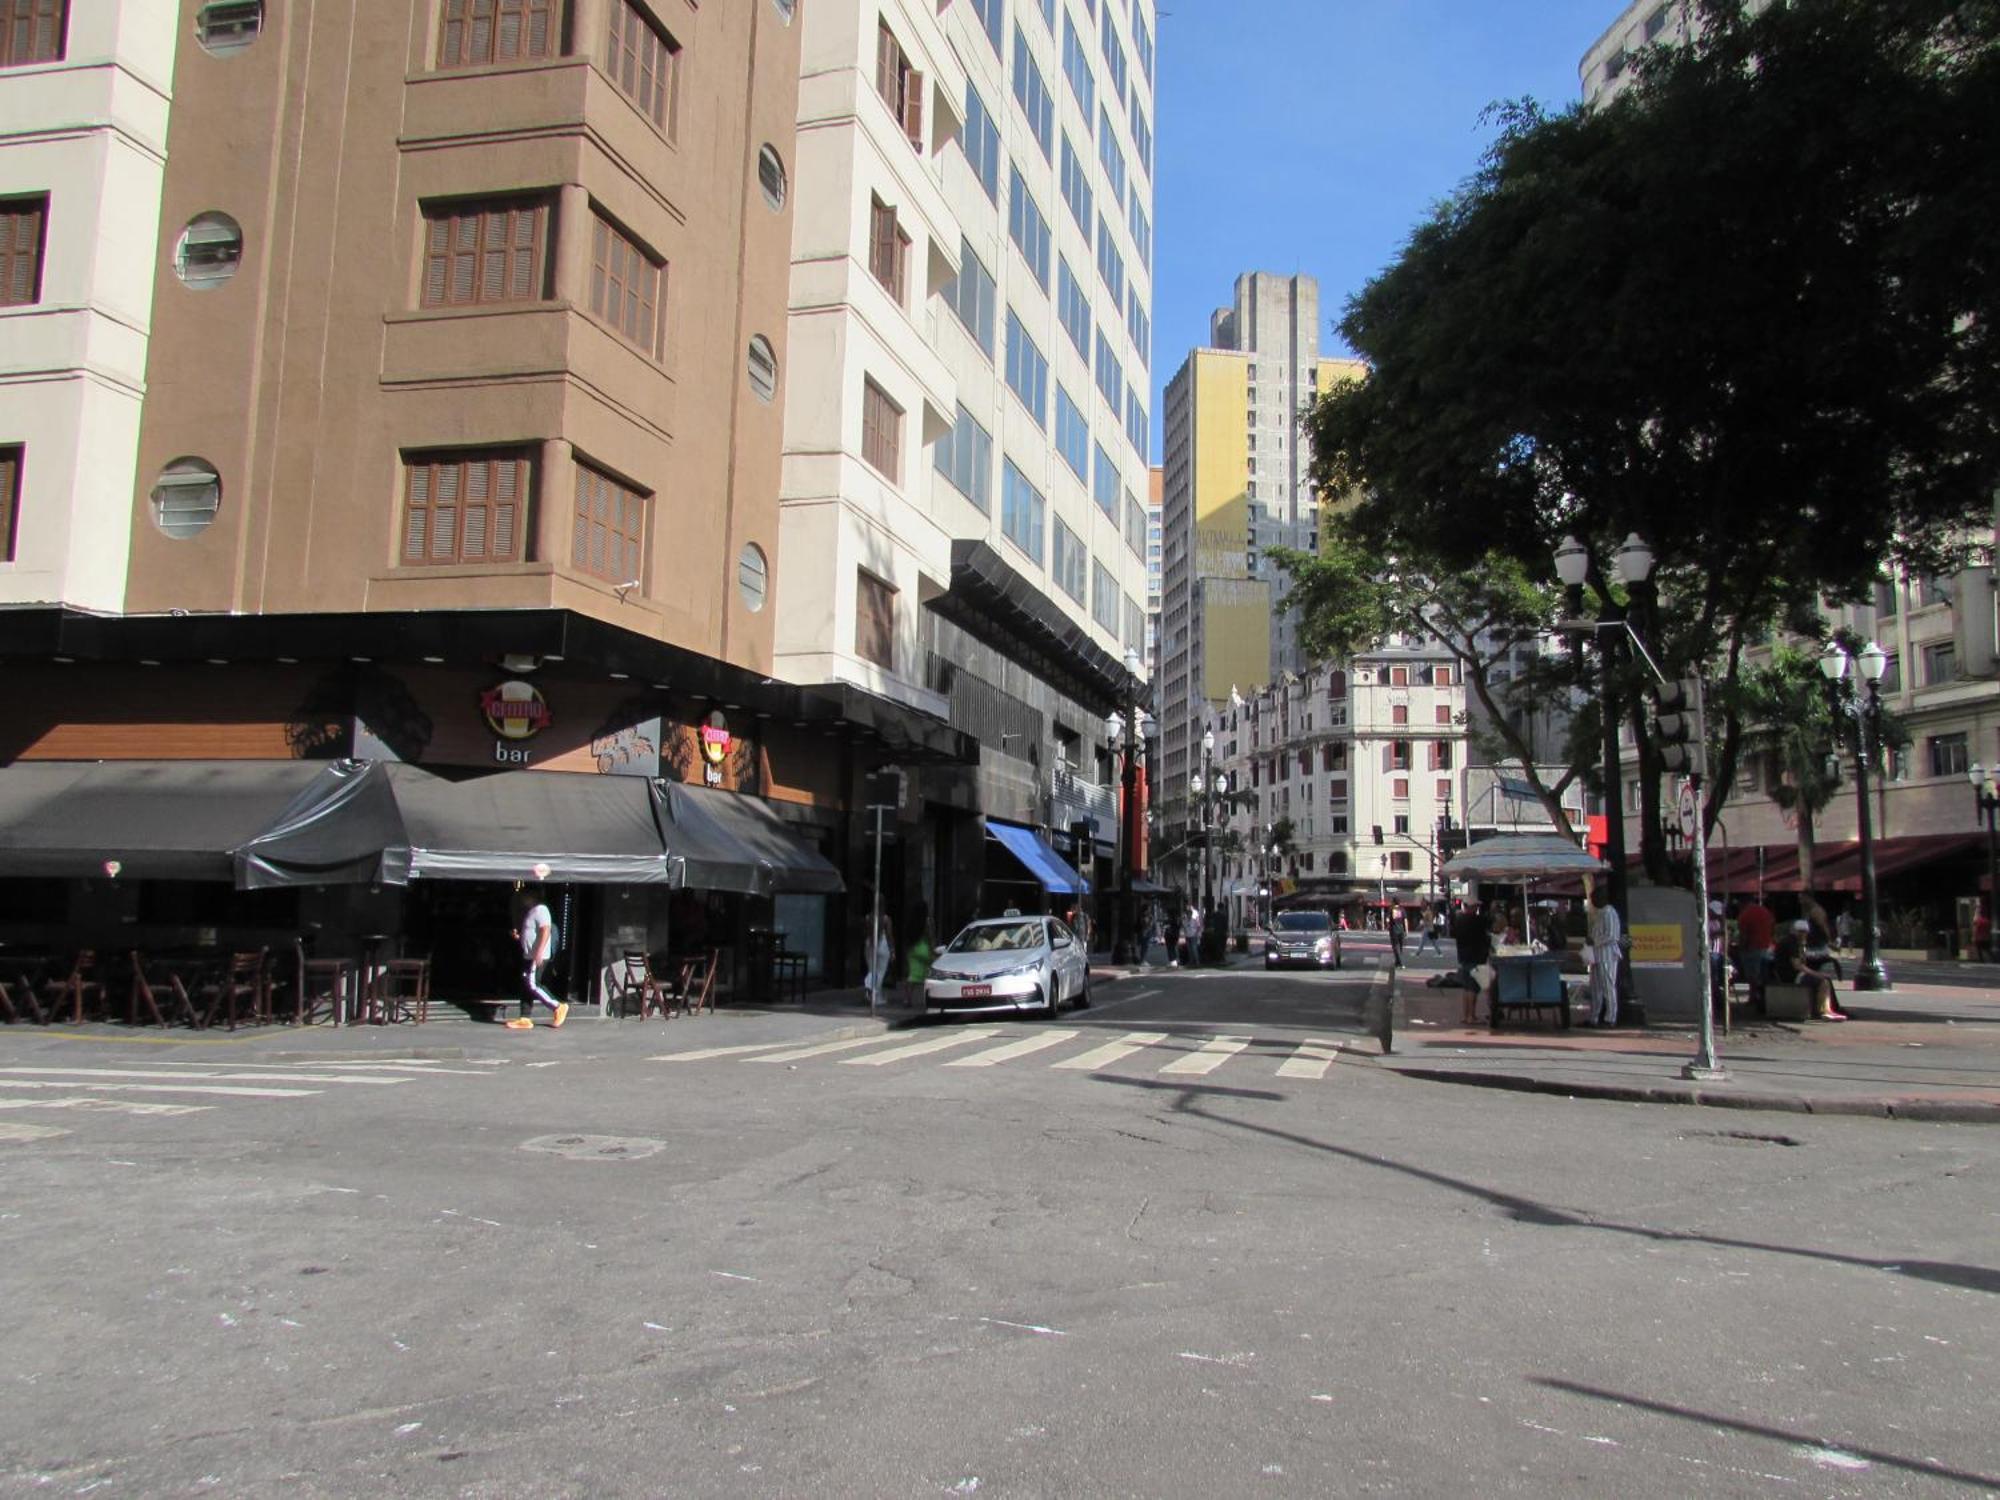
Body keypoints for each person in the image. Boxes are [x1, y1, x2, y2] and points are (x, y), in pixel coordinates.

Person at [512, 890, 567, 1029]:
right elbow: (532, 932)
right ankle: (524, 1018)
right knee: (525, 985)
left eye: (524, 897)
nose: (522, 900)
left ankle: (558, 1006)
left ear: (532, 897)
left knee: (533, 984)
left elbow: (545, 930)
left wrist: (539, 952)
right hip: (528, 954)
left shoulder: (541, 910)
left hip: (536, 956)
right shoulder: (530, 912)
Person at [1776, 920, 1845, 1020]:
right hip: (1791, 975)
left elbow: (1802, 961)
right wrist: (1815, 974)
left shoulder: (1794, 942)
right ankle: (1825, 1011)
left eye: (1805, 932)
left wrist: (1803, 946)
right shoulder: (1791, 942)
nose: (1804, 934)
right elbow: (1798, 965)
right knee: (1823, 982)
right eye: (1801, 932)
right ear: (1795, 931)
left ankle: (1833, 1008)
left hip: (1792, 973)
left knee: (1826, 979)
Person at [1585, 883, 1623, 1026]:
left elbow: (1612, 935)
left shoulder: (1609, 912)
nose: (1593, 901)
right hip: (1596, 956)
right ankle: (1593, 1017)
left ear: (1603, 898)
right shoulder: (1599, 914)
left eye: (1595, 898)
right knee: (1595, 989)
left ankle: (1610, 1018)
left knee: (1608, 987)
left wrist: (1594, 941)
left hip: (1607, 955)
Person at [1452, 900, 1493, 1025]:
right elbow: (1488, 928)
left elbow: (1454, 934)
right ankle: (1471, 1016)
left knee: (1466, 987)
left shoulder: (1459, 920)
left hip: (1463, 956)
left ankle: (1467, 1015)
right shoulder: (1478, 920)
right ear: (1473, 907)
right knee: (1473, 987)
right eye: (1476, 907)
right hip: (1476, 956)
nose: (1477, 909)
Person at [1734, 892, 1776, 1010]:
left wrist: (1741, 948)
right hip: (1767, 947)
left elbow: (1744, 936)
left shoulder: (1744, 915)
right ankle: (1763, 997)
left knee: (1752, 976)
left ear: (1743, 903)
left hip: (1752, 948)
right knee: (1764, 974)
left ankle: (1753, 997)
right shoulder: (1766, 912)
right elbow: (1773, 927)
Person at [902, 917, 934, 1008]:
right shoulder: (926, 923)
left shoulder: (912, 923)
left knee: (912, 975)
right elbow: (930, 937)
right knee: (928, 975)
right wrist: (932, 950)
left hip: (912, 950)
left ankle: (907, 999)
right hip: (923, 949)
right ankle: (929, 999)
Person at [865, 912, 895, 1007]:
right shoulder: (886, 918)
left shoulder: (868, 917)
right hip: (882, 943)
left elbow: (865, 931)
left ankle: (869, 986)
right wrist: (892, 949)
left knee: (871, 969)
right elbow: (889, 934)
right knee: (881, 972)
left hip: (869, 943)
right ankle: (876, 997)